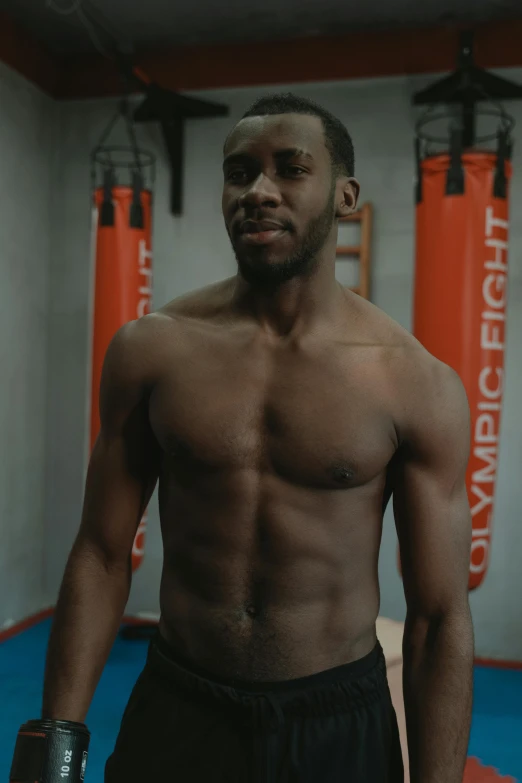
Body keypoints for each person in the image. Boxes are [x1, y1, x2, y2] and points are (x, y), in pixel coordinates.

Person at [14, 93, 474, 783]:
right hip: (181, 701)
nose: (258, 191)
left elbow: (439, 616)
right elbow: (103, 552)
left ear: (344, 195)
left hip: (335, 720)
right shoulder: (152, 351)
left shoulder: (413, 382)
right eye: (240, 172)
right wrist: (53, 744)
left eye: (291, 169)